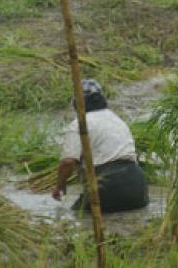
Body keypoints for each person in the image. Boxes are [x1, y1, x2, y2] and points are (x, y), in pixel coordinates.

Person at [53, 79, 148, 213]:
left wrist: (60, 186)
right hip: (137, 186)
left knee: (77, 215)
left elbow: (68, 162)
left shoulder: (79, 124)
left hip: (106, 186)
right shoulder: (117, 120)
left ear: (77, 103)